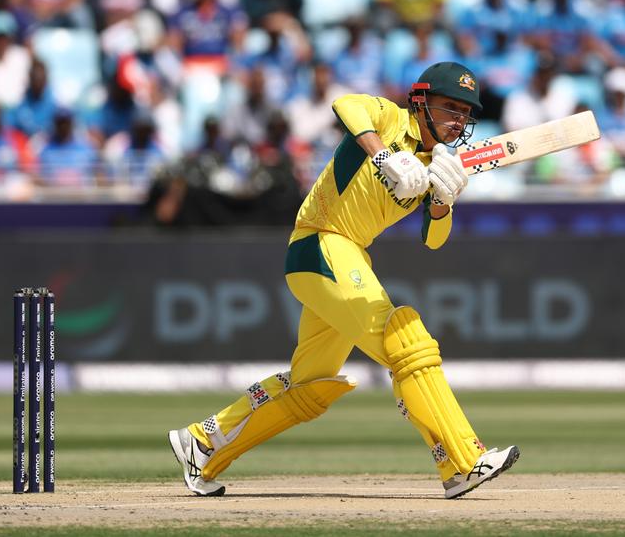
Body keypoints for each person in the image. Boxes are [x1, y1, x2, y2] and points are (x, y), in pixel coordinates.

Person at [167, 61, 520, 499]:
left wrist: (443, 201)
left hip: (344, 257)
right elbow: (345, 104)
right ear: (420, 102)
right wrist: (385, 155)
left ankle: (203, 443)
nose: (459, 120)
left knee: (309, 387)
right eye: (451, 108)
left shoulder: (436, 165)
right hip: (322, 241)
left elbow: (434, 240)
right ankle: (461, 462)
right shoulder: (391, 120)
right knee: (404, 338)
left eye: (467, 113)